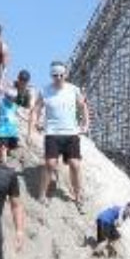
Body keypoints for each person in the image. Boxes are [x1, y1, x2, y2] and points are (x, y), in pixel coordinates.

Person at [29, 61, 91, 206]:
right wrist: (34, 125)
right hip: (52, 133)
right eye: (55, 75)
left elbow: (83, 107)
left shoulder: (74, 90)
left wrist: (86, 124)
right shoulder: (45, 91)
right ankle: (41, 194)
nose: (58, 77)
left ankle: (78, 195)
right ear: (51, 75)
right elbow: (36, 109)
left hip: (71, 133)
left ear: (65, 75)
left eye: (61, 75)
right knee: (50, 164)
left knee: (75, 164)